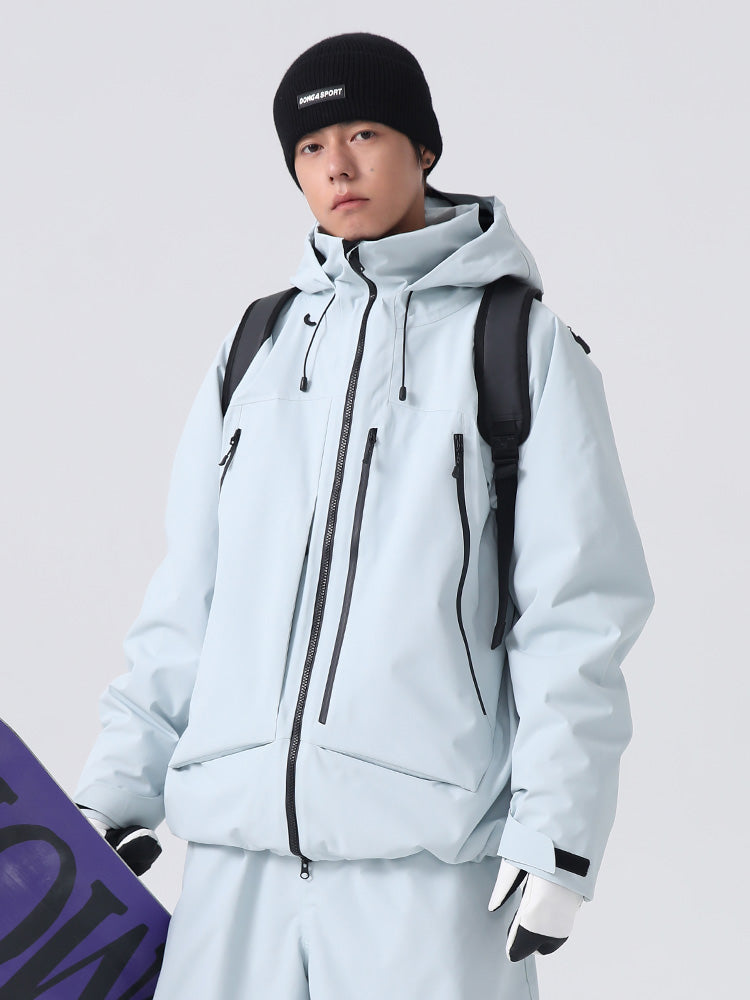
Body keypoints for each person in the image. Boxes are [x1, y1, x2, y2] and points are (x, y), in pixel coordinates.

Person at [74, 31, 655, 999]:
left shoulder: (519, 345)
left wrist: (558, 836)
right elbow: (189, 598)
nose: (336, 166)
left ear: (423, 147)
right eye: (310, 147)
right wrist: (115, 788)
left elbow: (577, 612)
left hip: (426, 866)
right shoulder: (256, 345)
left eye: (364, 133)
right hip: (237, 861)